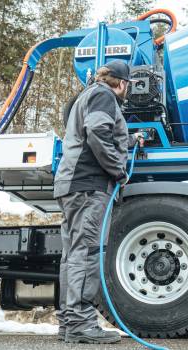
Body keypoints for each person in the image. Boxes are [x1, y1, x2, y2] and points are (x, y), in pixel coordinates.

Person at [53, 60, 143, 344]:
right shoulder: (104, 95)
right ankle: (81, 323)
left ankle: (69, 323)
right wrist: (118, 170)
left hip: (73, 185)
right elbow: (97, 133)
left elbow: (99, 133)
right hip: (89, 186)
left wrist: (129, 140)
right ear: (123, 82)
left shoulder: (90, 95)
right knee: (87, 253)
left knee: (72, 256)